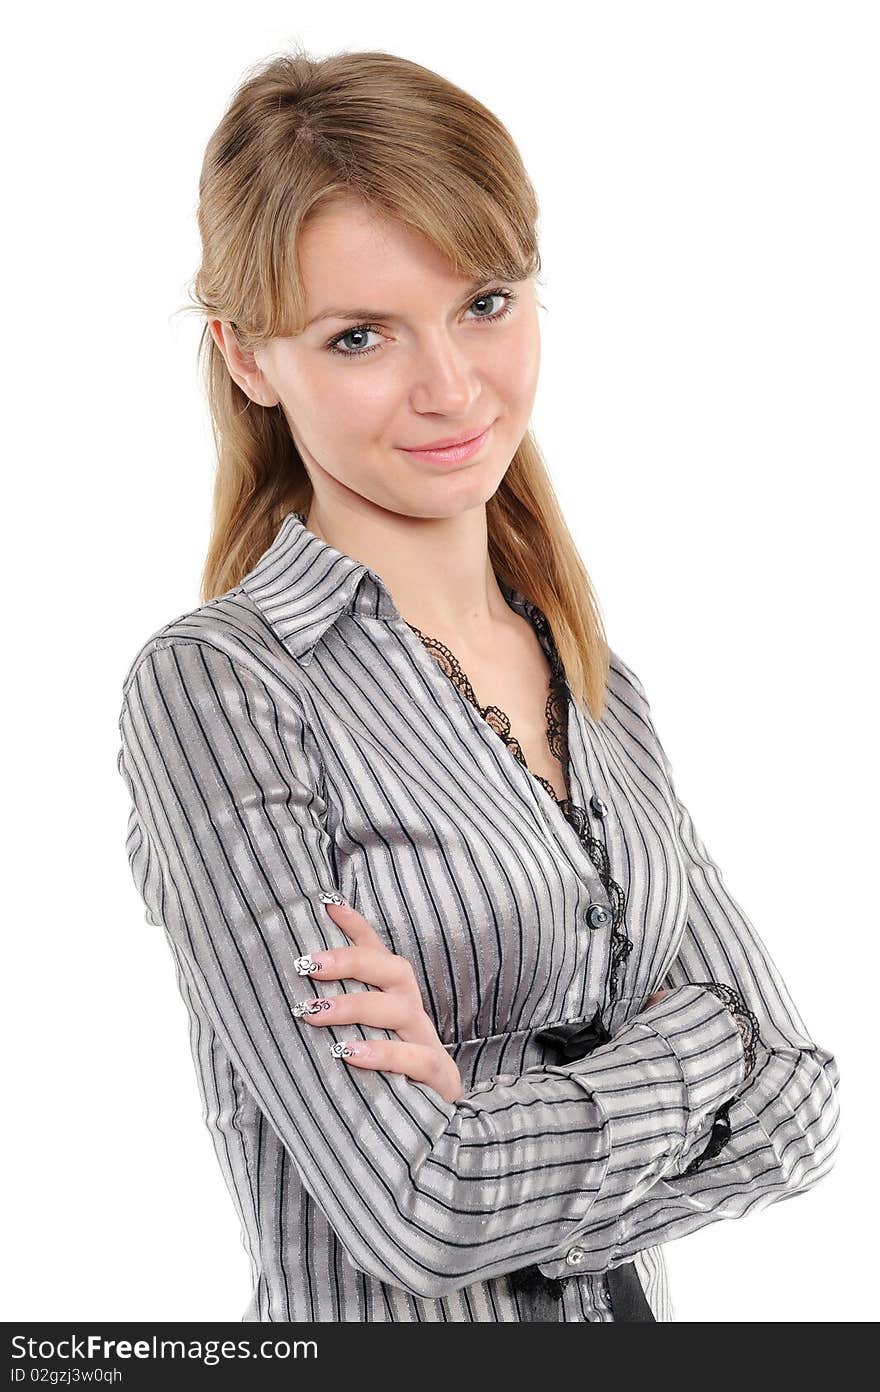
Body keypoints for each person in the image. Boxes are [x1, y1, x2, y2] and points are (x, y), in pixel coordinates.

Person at [116, 47, 840, 1323]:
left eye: (486, 303)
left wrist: (487, 1111)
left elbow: (799, 1110)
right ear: (247, 358)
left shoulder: (593, 675)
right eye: (359, 336)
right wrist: (692, 1048)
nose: (450, 387)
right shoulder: (220, 690)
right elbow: (416, 1208)